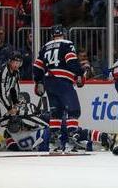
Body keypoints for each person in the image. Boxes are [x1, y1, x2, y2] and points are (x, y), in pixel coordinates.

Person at [33, 24, 85, 152]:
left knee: (56, 113)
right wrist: (79, 73)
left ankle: (53, 143)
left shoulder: (45, 47)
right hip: (63, 80)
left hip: (49, 81)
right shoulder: (67, 44)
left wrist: (39, 81)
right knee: (73, 110)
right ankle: (72, 142)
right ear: (64, 33)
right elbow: (71, 60)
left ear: (52, 35)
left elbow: (37, 66)